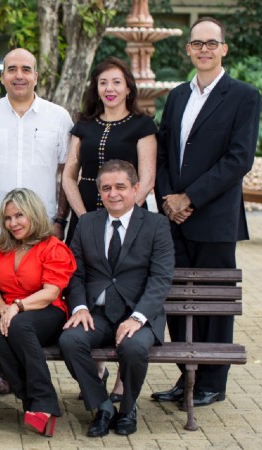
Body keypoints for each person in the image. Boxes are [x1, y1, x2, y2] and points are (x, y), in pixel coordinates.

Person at [152, 16, 261, 408]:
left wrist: (190, 199)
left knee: (213, 307)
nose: (204, 49)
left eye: (211, 43)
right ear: (188, 49)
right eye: (197, 43)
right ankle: (187, 377)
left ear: (223, 49)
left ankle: (213, 381)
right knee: (177, 304)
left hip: (214, 220)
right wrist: (168, 198)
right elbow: (164, 152)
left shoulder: (244, 95)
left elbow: (238, 159)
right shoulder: (178, 95)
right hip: (174, 218)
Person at [0, 47, 73, 395]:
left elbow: (66, 173)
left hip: (44, 230)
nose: (18, 75)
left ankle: (26, 367)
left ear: (36, 76)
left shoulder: (58, 117)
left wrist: (59, 218)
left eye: (25, 69)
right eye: (11, 68)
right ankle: (3, 368)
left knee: (34, 298)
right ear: (2, 76)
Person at [61, 56, 157, 402]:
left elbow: (146, 178)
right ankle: (94, 366)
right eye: (103, 83)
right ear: (96, 88)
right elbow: (68, 176)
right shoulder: (83, 125)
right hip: (85, 213)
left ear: (128, 86)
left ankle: (121, 378)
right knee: (87, 280)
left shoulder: (142, 125)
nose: (110, 89)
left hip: (128, 219)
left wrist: (121, 209)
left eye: (116, 82)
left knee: (124, 281)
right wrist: (86, 217)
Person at [59, 160, 174, 437]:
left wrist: (137, 318)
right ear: (99, 192)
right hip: (96, 315)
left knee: (133, 349)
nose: (113, 194)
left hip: (138, 315)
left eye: (121, 187)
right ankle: (102, 406)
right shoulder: (87, 223)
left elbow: (161, 278)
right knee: (70, 340)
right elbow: (74, 273)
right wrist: (80, 307)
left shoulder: (156, 225)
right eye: (106, 188)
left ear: (136, 189)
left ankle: (128, 407)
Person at [0, 188, 76, 437]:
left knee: (20, 325)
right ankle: (35, 403)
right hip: (11, 312)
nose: (13, 223)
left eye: (19, 215)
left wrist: (17, 306)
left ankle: (43, 400)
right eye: (8, 218)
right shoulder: (0, 249)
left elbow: (51, 293)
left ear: (33, 213)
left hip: (46, 313)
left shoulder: (52, 247)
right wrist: (0, 305)